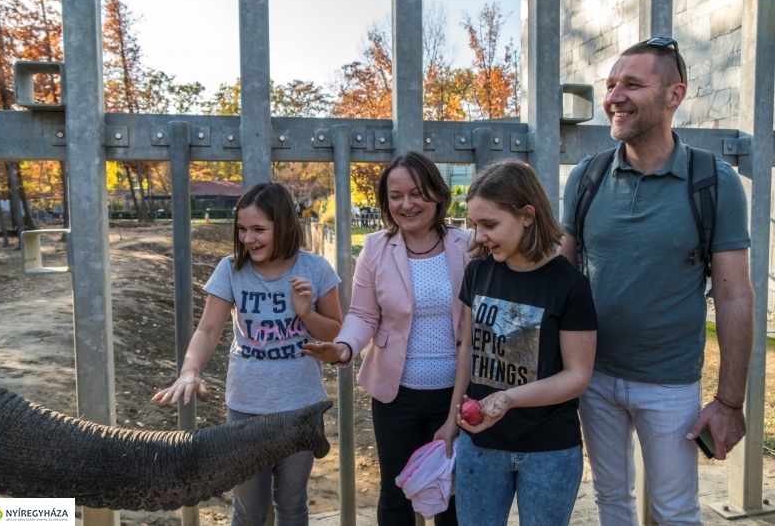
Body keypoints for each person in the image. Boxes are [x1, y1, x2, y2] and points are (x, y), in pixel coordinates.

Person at [559, 38, 754, 525]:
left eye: (632, 84)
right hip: (594, 379)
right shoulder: (586, 178)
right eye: (610, 85)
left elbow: (734, 296)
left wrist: (729, 401)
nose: (614, 96)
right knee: (612, 502)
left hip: (670, 386)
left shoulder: (714, 182)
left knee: (675, 512)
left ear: (674, 95)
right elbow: (559, 281)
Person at [152, 182, 342, 526]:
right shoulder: (230, 269)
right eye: (242, 229)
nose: (248, 238)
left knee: (292, 503)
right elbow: (208, 330)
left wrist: (307, 314)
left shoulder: (316, 269)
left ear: (284, 226)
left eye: (258, 229)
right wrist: (190, 370)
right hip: (246, 405)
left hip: (300, 406)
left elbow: (335, 332)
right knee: (249, 509)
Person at [302, 151, 470, 526]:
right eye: (396, 196)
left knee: (454, 495)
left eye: (418, 193)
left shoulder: (468, 245)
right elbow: (363, 314)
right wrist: (344, 347)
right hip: (396, 397)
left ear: (439, 196)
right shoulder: (377, 247)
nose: (407, 204)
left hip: (457, 395)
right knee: (396, 493)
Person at [434, 160, 597, 526]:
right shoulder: (478, 272)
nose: (477, 237)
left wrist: (509, 399)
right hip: (481, 447)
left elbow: (577, 375)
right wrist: (452, 420)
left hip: (549, 450)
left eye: (489, 225)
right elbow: (467, 349)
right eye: (475, 224)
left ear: (527, 215)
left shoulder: (570, 286)